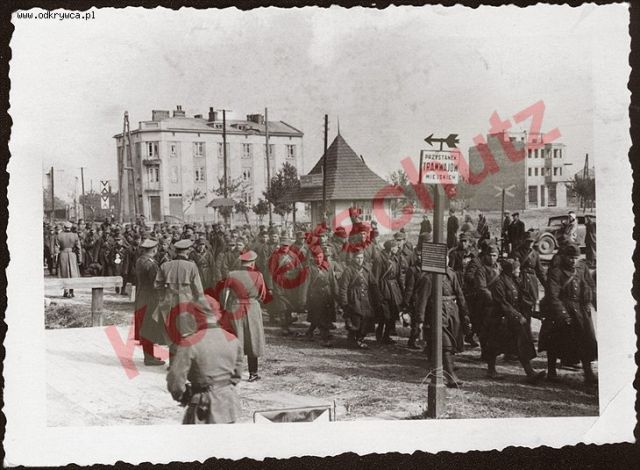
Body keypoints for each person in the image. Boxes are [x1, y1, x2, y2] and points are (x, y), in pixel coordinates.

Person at [166, 301, 244, 424]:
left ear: (195, 316)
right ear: (217, 315)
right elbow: (237, 374)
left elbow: (175, 380)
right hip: (228, 405)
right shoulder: (233, 340)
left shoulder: (190, 342)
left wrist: (182, 396)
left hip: (203, 406)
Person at [538, 243, 597, 384]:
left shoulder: (582, 268)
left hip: (580, 309)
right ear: (564, 257)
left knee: (586, 339)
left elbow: (590, 285)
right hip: (561, 309)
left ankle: (588, 372)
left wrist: (589, 302)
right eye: (570, 258)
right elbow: (553, 296)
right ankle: (551, 372)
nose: (573, 261)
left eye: (576, 258)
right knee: (554, 340)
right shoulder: (556, 271)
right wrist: (563, 314)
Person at [488, 259, 546, 383]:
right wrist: (518, 316)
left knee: (521, 344)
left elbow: (522, 298)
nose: (519, 270)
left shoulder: (515, 280)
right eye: (517, 268)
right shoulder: (499, 282)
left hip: (512, 318)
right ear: (510, 269)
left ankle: (530, 372)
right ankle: (491, 370)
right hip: (500, 319)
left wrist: (533, 311)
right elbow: (503, 303)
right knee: (495, 345)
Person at [155, 239, 213, 361]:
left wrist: (163, 297)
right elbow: (198, 289)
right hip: (186, 302)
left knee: (172, 331)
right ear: (187, 251)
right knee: (186, 331)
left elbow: (157, 285)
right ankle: (183, 362)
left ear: (176, 251)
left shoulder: (165, 265)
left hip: (169, 302)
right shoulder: (191, 266)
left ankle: (172, 362)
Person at [220, 250, 268, 382]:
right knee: (253, 339)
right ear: (252, 263)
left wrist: (225, 308)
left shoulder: (232, 274)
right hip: (252, 308)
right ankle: (253, 373)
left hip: (235, 307)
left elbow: (224, 294)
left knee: (236, 338)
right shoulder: (258, 275)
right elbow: (262, 295)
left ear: (241, 262)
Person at [426, 265, 470, 388]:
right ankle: (450, 376)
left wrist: (464, 312)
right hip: (436, 312)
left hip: (452, 312)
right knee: (445, 344)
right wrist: (419, 320)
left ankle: (439, 368)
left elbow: (459, 293)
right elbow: (422, 300)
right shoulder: (428, 277)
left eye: (446, 257)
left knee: (452, 341)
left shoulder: (451, 274)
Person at [133, 238, 166, 366]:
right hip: (150, 297)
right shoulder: (151, 264)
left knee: (145, 325)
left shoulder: (140, 260)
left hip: (141, 295)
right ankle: (149, 358)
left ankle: (149, 355)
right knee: (149, 326)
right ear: (154, 249)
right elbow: (155, 282)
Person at [339, 249, 376, 349]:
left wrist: (377, 297)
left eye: (361, 258)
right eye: (357, 258)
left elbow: (373, 284)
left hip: (365, 298)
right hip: (354, 298)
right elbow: (343, 288)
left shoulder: (367, 269)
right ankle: (351, 339)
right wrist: (344, 303)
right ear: (354, 258)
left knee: (366, 319)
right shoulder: (348, 270)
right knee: (355, 319)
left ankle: (360, 338)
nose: (360, 260)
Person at [305, 244, 339, 347]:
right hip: (315, 296)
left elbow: (333, 282)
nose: (319, 259)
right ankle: (325, 338)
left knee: (323, 316)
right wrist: (304, 300)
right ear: (313, 257)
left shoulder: (327, 267)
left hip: (327, 295)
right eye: (316, 257)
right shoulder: (309, 269)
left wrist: (337, 295)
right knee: (320, 317)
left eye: (320, 257)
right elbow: (306, 285)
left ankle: (310, 332)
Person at [372, 240, 403, 344]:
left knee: (393, 314)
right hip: (384, 288)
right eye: (395, 247)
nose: (397, 248)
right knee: (384, 315)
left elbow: (398, 275)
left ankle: (386, 336)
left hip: (394, 289)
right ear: (390, 248)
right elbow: (375, 278)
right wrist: (377, 293)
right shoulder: (379, 259)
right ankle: (379, 334)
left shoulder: (396, 258)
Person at [511, 231, 546, 323]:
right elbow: (513, 269)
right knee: (521, 305)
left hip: (532, 283)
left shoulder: (535, 254)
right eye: (528, 241)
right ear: (524, 241)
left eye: (532, 241)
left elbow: (540, 271)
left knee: (531, 305)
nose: (530, 243)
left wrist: (547, 285)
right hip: (521, 281)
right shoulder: (517, 252)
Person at [403, 248, 432, 350]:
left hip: (427, 297)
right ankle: (412, 341)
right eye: (418, 255)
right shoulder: (412, 270)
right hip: (417, 298)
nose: (420, 257)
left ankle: (426, 341)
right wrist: (406, 302)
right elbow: (409, 288)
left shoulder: (429, 268)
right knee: (416, 322)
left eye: (422, 255)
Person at [57, 221, 82, 297]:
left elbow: (56, 248)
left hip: (63, 255)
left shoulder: (59, 235)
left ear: (64, 227)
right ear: (70, 228)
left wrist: (56, 259)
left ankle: (65, 291)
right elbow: (79, 248)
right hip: (72, 255)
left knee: (64, 273)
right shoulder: (75, 235)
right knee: (72, 273)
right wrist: (79, 258)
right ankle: (72, 291)